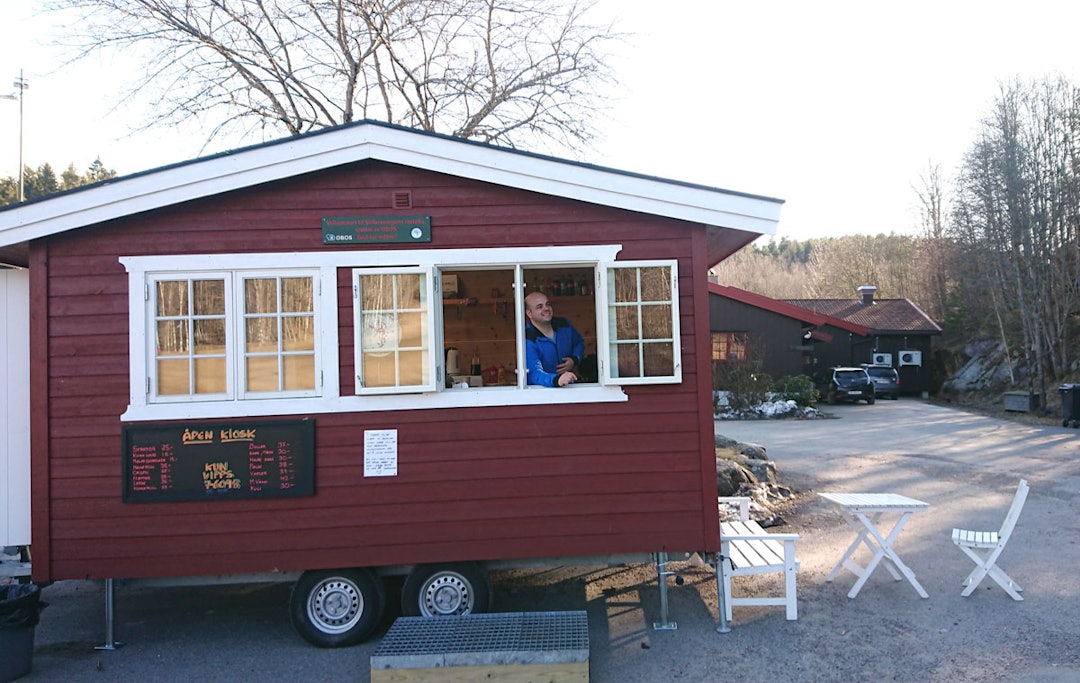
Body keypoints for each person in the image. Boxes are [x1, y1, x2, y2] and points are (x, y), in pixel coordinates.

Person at [524, 291, 585, 387]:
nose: (546, 308)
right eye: (539, 307)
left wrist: (574, 360)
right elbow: (534, 374)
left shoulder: (564, 324)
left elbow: (579, 343)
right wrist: (556, 380)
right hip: (541, 392)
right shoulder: (527, 338)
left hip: (570, 387)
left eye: (547, 304)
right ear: (529, 313)